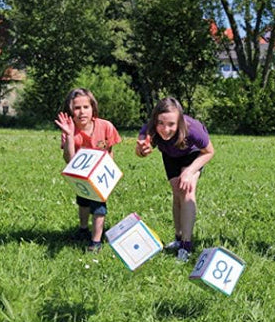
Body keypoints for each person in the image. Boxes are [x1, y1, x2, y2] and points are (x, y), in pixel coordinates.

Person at [135, 97, 214, 262]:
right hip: (170, 156)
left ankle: (186, 245)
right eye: (161, 123)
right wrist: (142, 150)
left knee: (187, 192)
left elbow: (209, 152)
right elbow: (140, 151)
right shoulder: (149, 130)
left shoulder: (193, 129)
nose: (165, 129)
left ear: (179, 121)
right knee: (177, 192)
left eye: (171, 124)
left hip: (192, 155)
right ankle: (178, 238)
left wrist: (190, 171)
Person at [55, 88, 121, 252]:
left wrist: (109, 173)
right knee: (83, 201)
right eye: (77, 108)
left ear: (93, 108)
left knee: (99, 206)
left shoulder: (105, 126)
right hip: (81, 176)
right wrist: (69, 136)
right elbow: (69, 160)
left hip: (101, 175)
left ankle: (96, 241)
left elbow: (110, 151)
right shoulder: (69, 130)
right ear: (70, 110)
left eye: (86, 107)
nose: (82, 112)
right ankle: (83, 229)